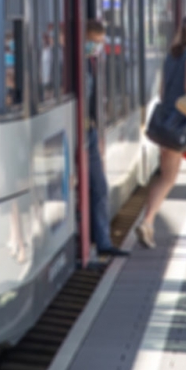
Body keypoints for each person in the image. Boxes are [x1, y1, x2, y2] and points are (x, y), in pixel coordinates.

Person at [137, 15, 186, 249]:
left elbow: (164, 90)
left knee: (167, 177)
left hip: (169, 122)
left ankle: (147, 221)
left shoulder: (171, 54)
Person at [85, 20, 128, 257]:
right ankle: (99, 239)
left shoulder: (90, 63)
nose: (97, 47)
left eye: (100, 43)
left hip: (88, 133)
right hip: (79, 134)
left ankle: (102, 241)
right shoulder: (69, 62)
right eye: (94, 42)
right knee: (97, 187)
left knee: (100, 187)